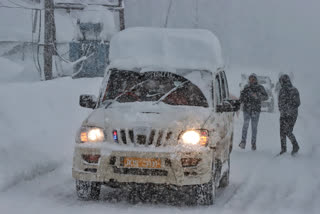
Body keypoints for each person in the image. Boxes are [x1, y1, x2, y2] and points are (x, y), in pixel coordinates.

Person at [239, 73, 268, 150]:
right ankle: (243, 142)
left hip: (255, 110)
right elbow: (241, 97)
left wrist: (258, 95)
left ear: (256, 79)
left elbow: (266, 97)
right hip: (246, 110)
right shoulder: (246, 87)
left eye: (253, 79)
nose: (251, 80)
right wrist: (243, 99)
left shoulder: (260, 87)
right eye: (250, 79)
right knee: (245, 126)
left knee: (254, 128)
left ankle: (253, 143)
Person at [278, 74, 300, 155]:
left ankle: (295, 145)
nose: (281, 83)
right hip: (283, 114)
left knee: (287, 131)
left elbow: (297, 103)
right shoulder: (281, 90)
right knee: (281, 132)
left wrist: (288, 109)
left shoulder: (294, 90)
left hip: (292, 115)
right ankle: (283, 149)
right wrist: (281, 110)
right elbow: (279, 102)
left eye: (281, 81)